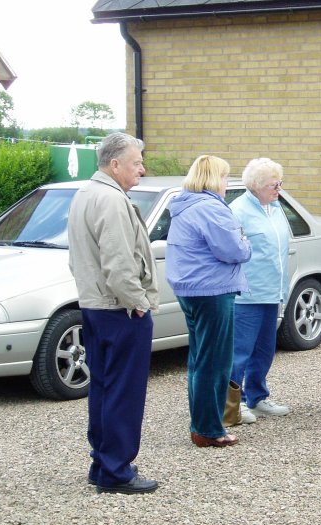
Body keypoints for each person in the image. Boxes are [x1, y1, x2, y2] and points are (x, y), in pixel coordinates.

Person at [67, 132, 159, 494]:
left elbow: (79, 257)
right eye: (136, 162)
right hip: (120, 310)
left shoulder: (85, 194)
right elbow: (119, 262)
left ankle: (103, 463)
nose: (142, 168)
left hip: (96, 307)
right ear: (115, 164)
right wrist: (137, 303)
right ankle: (116, 470)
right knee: (124, 391)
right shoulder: (110, 199)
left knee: (104, 388)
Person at [165, 155, 251, 447]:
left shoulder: (185, 205)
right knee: (215, 362)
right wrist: (245, 240)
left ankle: (201, 424)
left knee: (199, 361)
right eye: (225, 177)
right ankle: (209, 428)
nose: (228, 183)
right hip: (212, 290)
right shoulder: (211, 208)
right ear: (215, 179)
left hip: (190, 289)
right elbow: (235, 250)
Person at [229, 158, 291, 423]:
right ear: (255, 186)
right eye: (273, 185)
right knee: (239, 351)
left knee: (264, 349)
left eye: (280, 183)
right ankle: (235, 402)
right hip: (248, 294)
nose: (278, 189)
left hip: (272, 291)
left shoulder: (275, 207)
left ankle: (257, 397)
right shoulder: (238, 210)